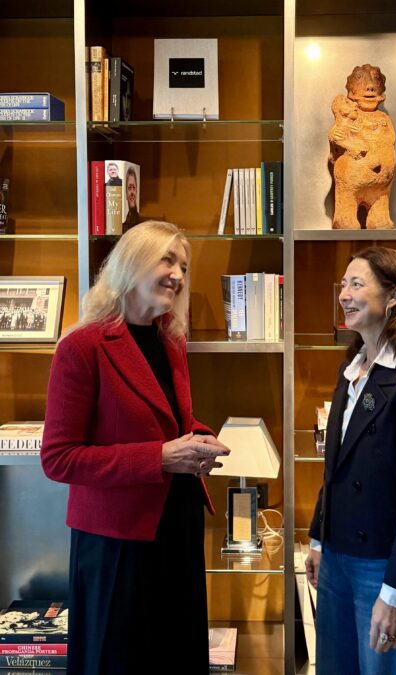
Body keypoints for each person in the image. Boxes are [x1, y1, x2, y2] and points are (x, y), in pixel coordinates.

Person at [40, 221, 230, 675]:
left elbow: (167, 419)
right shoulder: (82, 346)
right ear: (131, 263)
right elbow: (59, 458)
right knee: (116, 659)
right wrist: (159, 458)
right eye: (167, 260)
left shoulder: (171, 339)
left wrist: (198, 437)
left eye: (183, 266)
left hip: (176, 527)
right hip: (115, 542)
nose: (178, 275)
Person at [305, 246, 396, 675]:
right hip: (336, 561)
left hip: (384, 567)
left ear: (394, 296)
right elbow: (336, 468)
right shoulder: (351, 369)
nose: (344, 295)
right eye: (343, 285)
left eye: (357, 284)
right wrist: (318, 539)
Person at [122, 165, 140, 230]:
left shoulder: (139, 221)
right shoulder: (124, 220)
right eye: (129, 188)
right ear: (126, 193)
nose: (132, 192)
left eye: (134, 188)